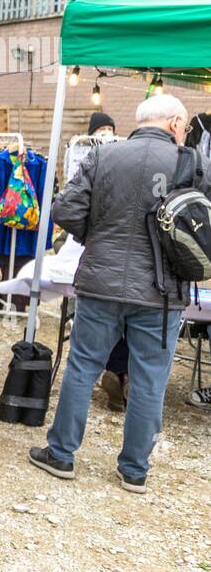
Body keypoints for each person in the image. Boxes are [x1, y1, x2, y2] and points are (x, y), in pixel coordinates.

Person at [30, 94, 211, 493]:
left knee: (82, 368)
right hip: (162, 291)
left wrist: (96, 237)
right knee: (150, 379)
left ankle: (61, 454)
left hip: (100, 282)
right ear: (176, 123)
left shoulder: (103, 155)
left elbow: (64, 209)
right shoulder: (193, 163)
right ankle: (134, 469)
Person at [83, 110, 128, 412]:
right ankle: (122, 375)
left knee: (106, 323)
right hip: (135, 267)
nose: (107, 133)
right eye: (102, 129)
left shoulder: (100, 164)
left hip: (100, 262)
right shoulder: (120, 164)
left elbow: (69, 210)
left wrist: (86, 237)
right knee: (128, 323)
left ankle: (112, 372)